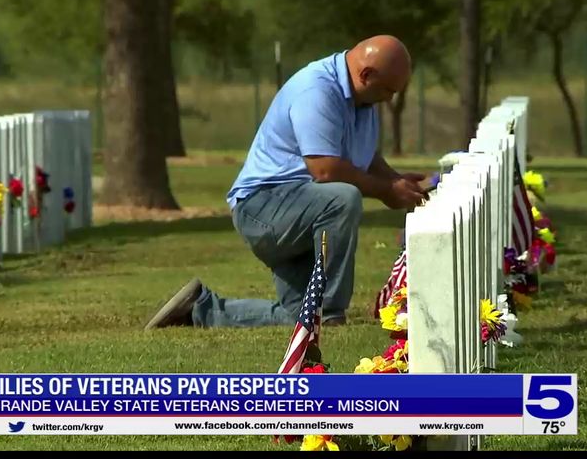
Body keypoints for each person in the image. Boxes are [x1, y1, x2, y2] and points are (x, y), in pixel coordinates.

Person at [145, 35, 427, 330]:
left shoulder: (362, 100)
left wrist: (396, 180)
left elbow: (365, 157)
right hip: (262, 207)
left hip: (301, 209)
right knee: (343, 199)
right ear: (366, 75)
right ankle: (331, 313)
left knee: (301, 317)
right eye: (388, 90)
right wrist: (386, 192)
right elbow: (325, 170)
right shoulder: (316, 90)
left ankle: (198, 309)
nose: (390, 99)